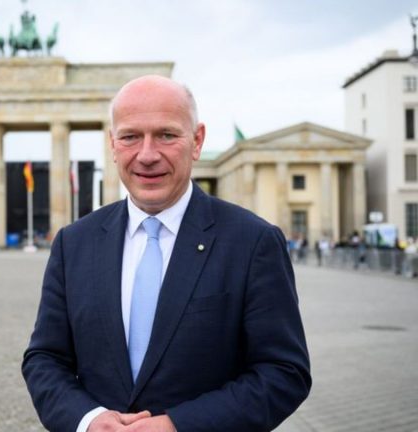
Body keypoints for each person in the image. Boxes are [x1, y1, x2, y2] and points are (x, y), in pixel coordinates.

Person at [22, 76, 311, 432]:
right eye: (130, 136)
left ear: (197, 141)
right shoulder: (74, 243)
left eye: (166, 135)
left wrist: (178, 426)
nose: (147, 155)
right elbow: (45, 358)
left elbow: (284, 372)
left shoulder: (253, 242)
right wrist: (87, 419)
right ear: (112, 145)